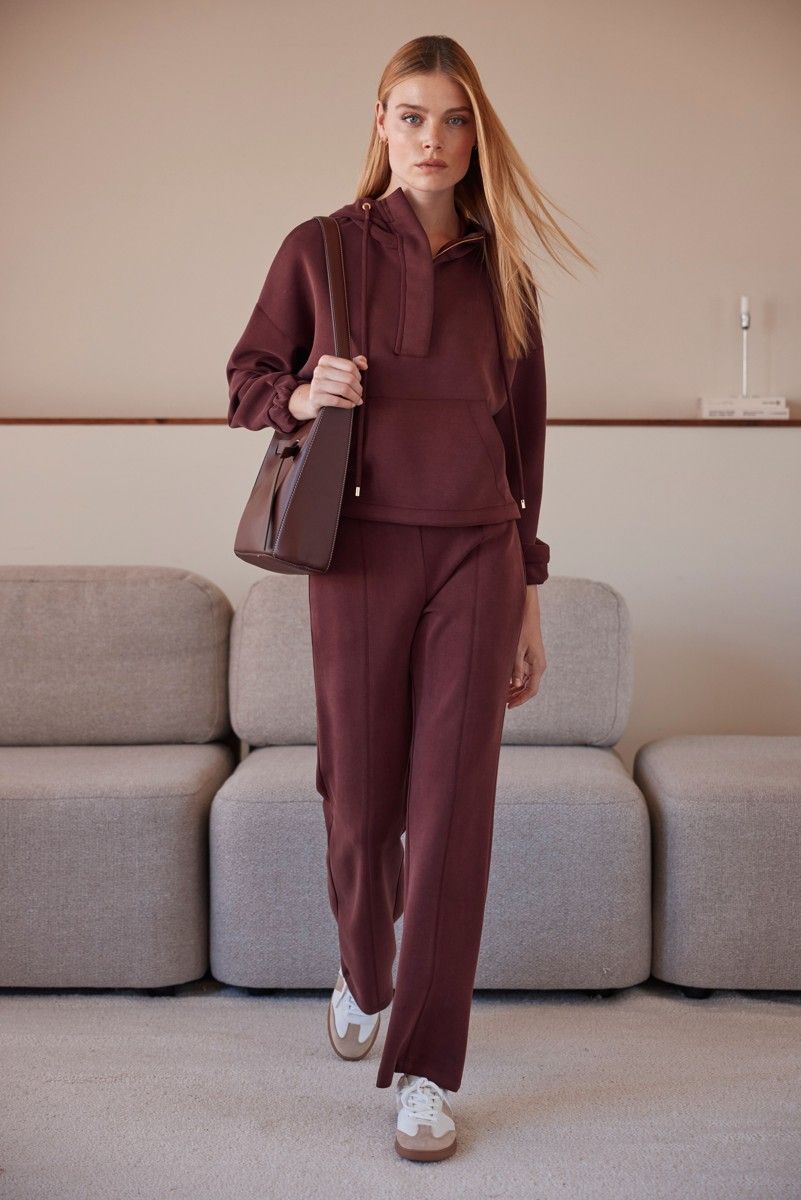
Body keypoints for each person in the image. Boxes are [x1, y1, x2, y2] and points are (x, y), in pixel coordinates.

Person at [226, 34, 593, 1163]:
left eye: (455, 119)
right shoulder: (322, 249)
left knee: (453, 814)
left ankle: (427, 1070)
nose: (433, 139)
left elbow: (523, 450)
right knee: (357, 798)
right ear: (381, 124)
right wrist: (303, 393)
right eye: (413, 115)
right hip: (359, 555)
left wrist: (528, 590)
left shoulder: (507, 275)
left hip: (477, 558)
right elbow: (245, 381)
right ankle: (362, 966)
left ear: (479, 136)